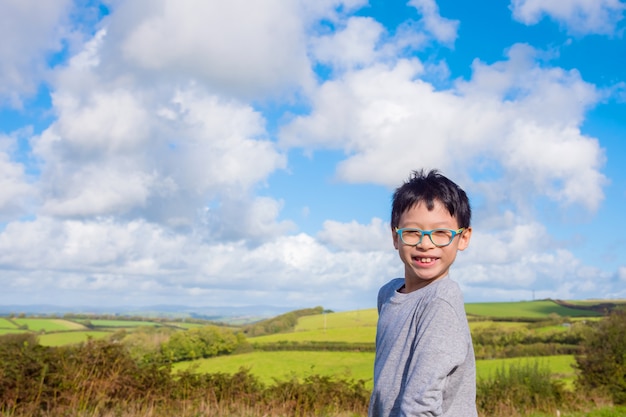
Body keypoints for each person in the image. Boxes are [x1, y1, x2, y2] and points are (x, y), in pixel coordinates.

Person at [368, 169, 477, 417]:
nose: (425, 244)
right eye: (412, 232)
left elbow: (420, 405)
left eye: (441, 233)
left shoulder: (440, 301)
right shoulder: (388, 294)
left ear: (463, 238)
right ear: (395, 237)